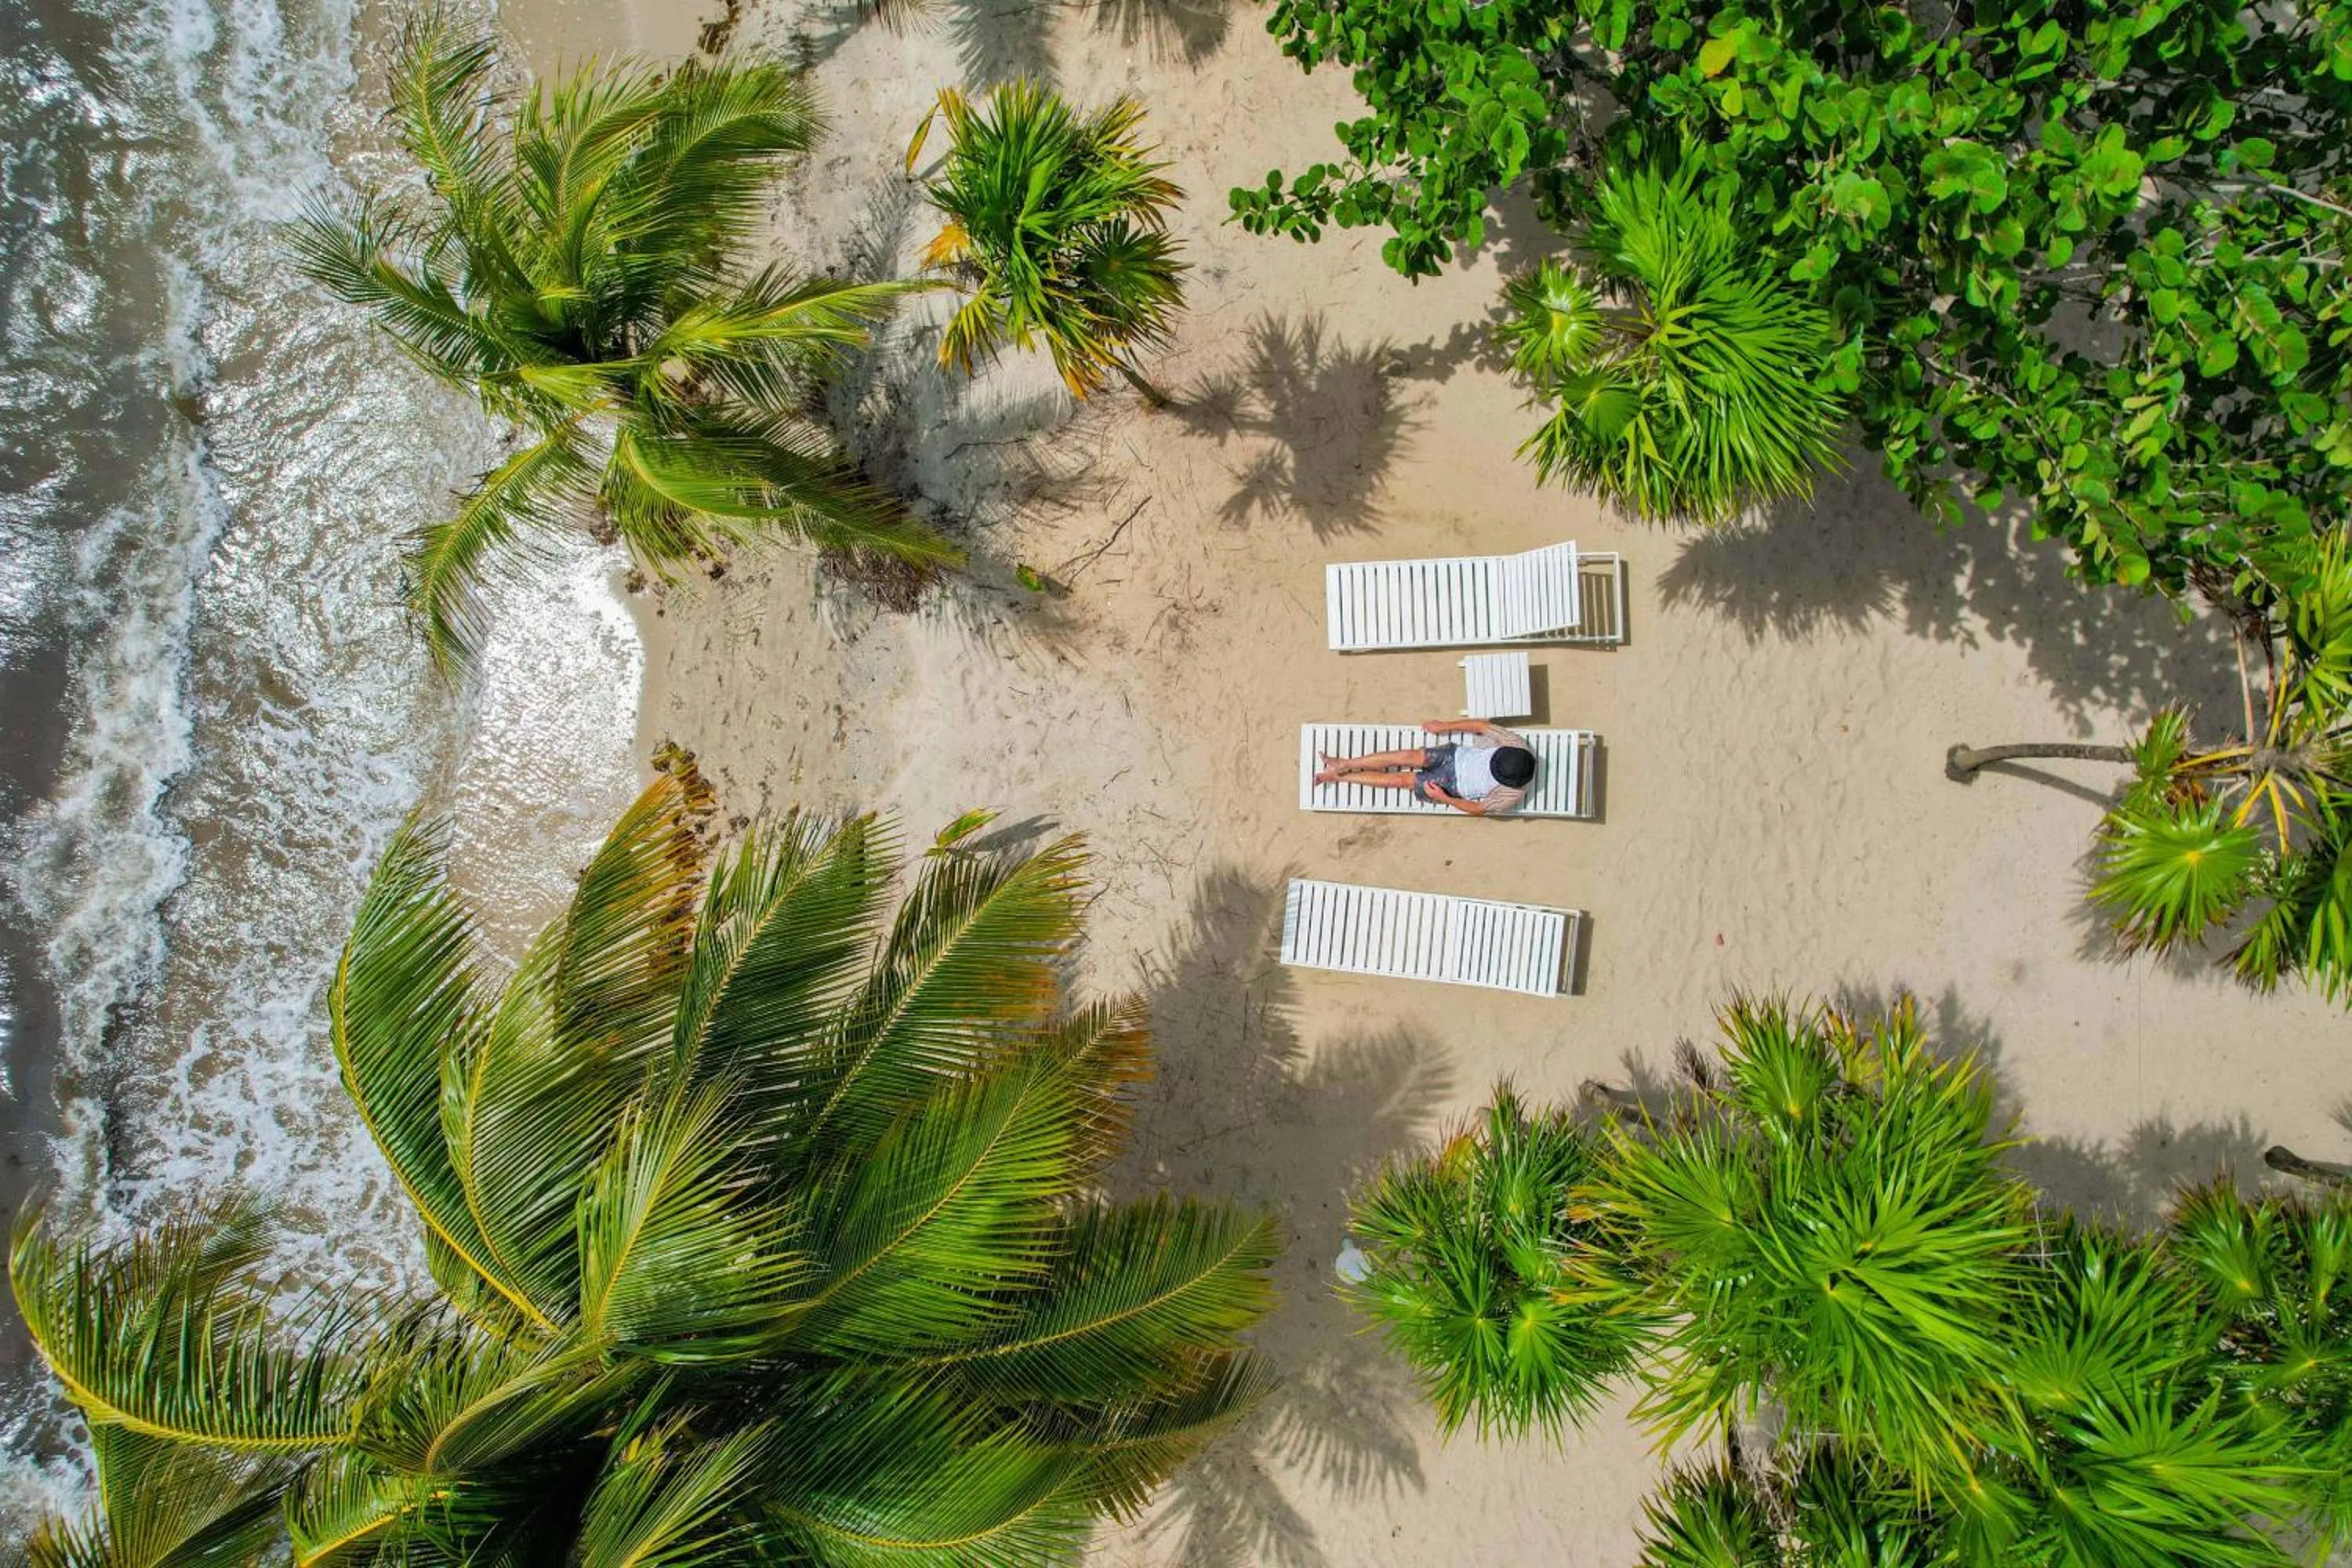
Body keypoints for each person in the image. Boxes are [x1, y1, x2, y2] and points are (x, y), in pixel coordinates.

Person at [1313, 719, 1536, 816]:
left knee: (1399, 780)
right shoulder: (1516, 745)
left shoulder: (1513, 793)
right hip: (1455, 756)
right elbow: (1481, 726)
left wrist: (1445, 798)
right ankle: (1345, 764)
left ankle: (1339, 778)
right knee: (1406, 756)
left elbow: (1478, 809)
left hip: (1453, 785)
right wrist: (1444, 726)